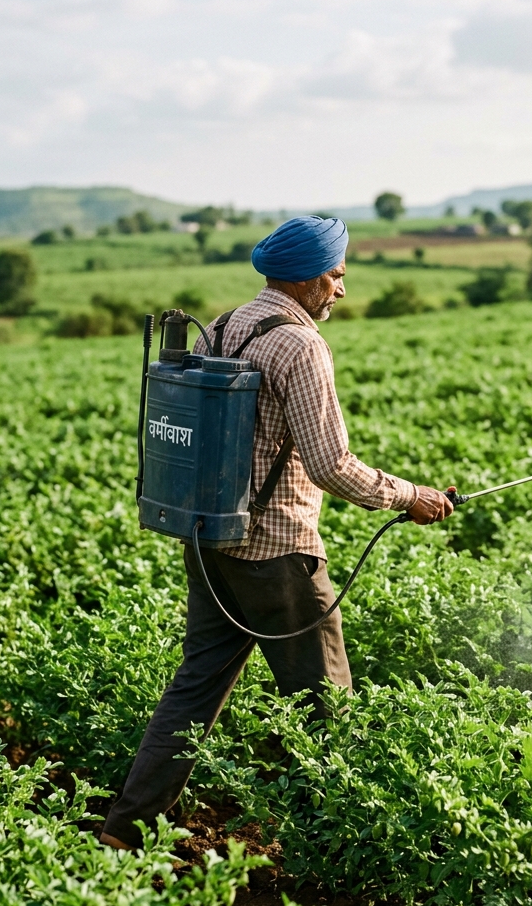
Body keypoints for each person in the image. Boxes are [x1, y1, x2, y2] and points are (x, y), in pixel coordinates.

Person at [101, 216, 453, 850]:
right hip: (278, 555)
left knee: (194, 689)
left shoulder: (225, 324)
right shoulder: (300, 344)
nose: (340, 290)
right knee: (327, 706)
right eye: (337, 276)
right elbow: (330, 465)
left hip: (211, 541)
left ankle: (126, 830)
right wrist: (411, 496)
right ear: (310, 278)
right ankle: (337, 847)